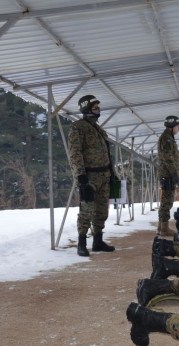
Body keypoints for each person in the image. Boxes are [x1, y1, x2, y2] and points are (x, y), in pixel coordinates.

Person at [67, 94, 118, 256]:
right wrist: (81, 177)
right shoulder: (78, 127)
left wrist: (113, 174)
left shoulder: (98, 129)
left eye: (98, 107)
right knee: (86, 210)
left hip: (104, 175)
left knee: (102, 210)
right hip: (89, 177)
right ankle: (81, 242)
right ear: (87, 109)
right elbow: (75, 153)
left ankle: (98, 241)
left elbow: (107, 154)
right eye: (95, 108)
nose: (98, 110)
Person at [156, 115, 179, 237]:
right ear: (172, 127)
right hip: (167, 175)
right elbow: (167, 158)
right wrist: (174, 173)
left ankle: (161, 227)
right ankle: (164, 228)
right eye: (177, 126)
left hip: (168, 174)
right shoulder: (166, 139)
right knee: (166, 202)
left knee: (166, 201)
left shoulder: (168, 138)